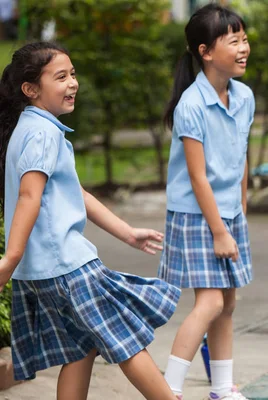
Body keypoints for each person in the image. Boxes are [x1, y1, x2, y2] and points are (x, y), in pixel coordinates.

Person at [0, 41, 181, 400]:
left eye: (73, 74)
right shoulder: (42, 133)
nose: (73, 83)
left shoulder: (31, 128)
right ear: (31, 89)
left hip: (47, 270)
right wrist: (10, 258)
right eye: (61, 76)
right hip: (67, 265)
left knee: (80, 347)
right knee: (125, 337)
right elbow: (29, 197)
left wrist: (127, 233)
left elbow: (76, 194)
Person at [159, 3, 254, 399]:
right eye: (234, 40)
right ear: (205, 51)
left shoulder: (244, 96)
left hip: (228, 212)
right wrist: (219, 230)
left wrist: (240, 215)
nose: (244, 47)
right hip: (197, 215)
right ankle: (168, 389)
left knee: (228, 303)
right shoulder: (192, 105)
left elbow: (241, 158)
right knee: (210, 302)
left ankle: (221, 388)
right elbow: (198, 176)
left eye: (245, 38)